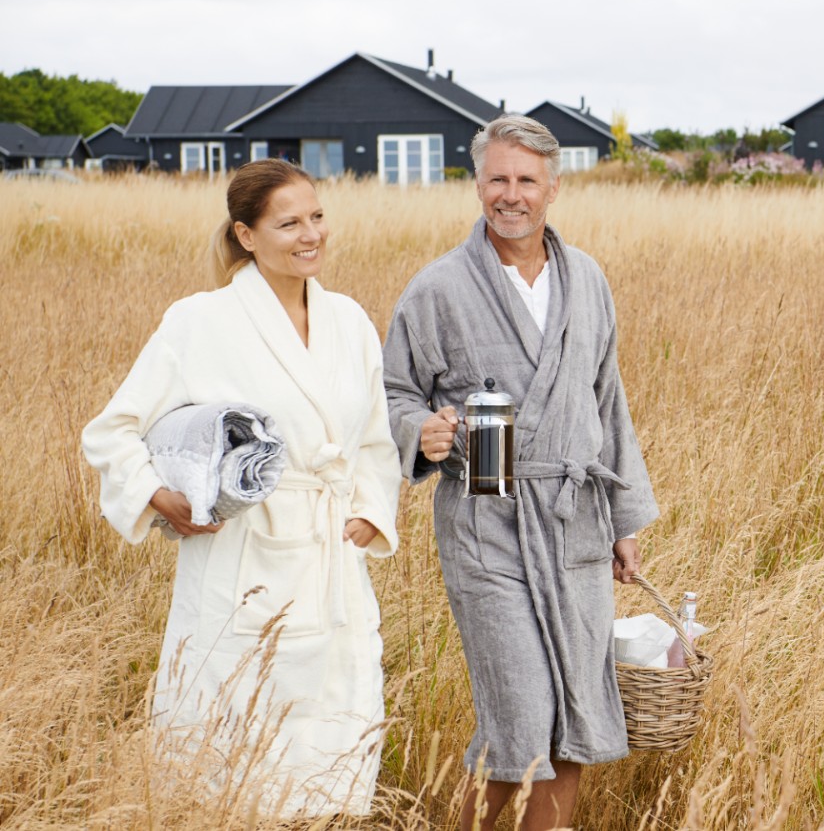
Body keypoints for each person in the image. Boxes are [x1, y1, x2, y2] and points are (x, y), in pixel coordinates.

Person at [81, 159, 401, 817]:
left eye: (316, 217)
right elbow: (111, 430)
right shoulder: (200, 321)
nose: (310, 234)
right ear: (246, 235)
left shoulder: (350, 321)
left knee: (328, 760)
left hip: (329, 556)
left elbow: (375, 437)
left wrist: (370, 510)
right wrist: (156, 495)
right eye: (288, 223)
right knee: (234, 767)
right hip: (242, 557)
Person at [383, 115, 657, 831]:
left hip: (575, 524)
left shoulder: (587, 279)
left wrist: (626, 521)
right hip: (487, 522)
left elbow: (609, 399)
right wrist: (422, 431)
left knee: (574, 714)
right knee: (521, 721)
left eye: (526, 180)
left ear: (553, 189)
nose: (512, 195)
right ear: (478, 186)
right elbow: (394, 393)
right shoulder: (438, 288)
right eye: (498, 179)